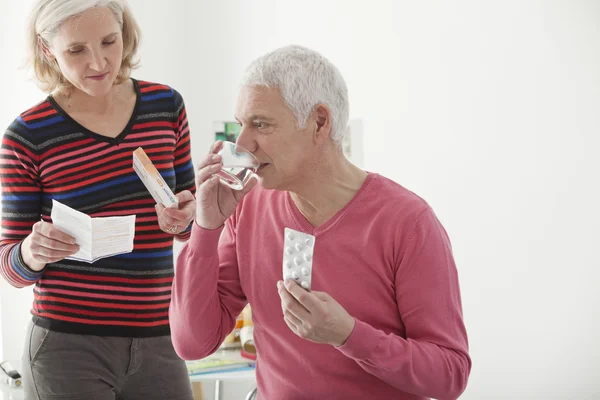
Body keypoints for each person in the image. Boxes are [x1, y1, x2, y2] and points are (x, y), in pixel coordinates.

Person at [169, 45, 472, 400]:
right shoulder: (246, 207)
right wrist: (206, 229)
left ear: (319, 123)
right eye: (241, 124)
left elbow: (449, 376)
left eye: (260, 124)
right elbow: (191, 343)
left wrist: (349, 335)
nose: (242, 144)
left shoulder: (408, 223)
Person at [0, 1, 196, 399]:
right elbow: (12, 269)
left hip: (160, 338)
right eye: (76, 50)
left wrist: (185, 218)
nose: (99, 62)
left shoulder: (166, 107)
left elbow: (188, 216)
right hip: (68, 349)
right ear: (46, 49)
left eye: (110, 41)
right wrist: (33, 252)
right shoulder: (26, 136)